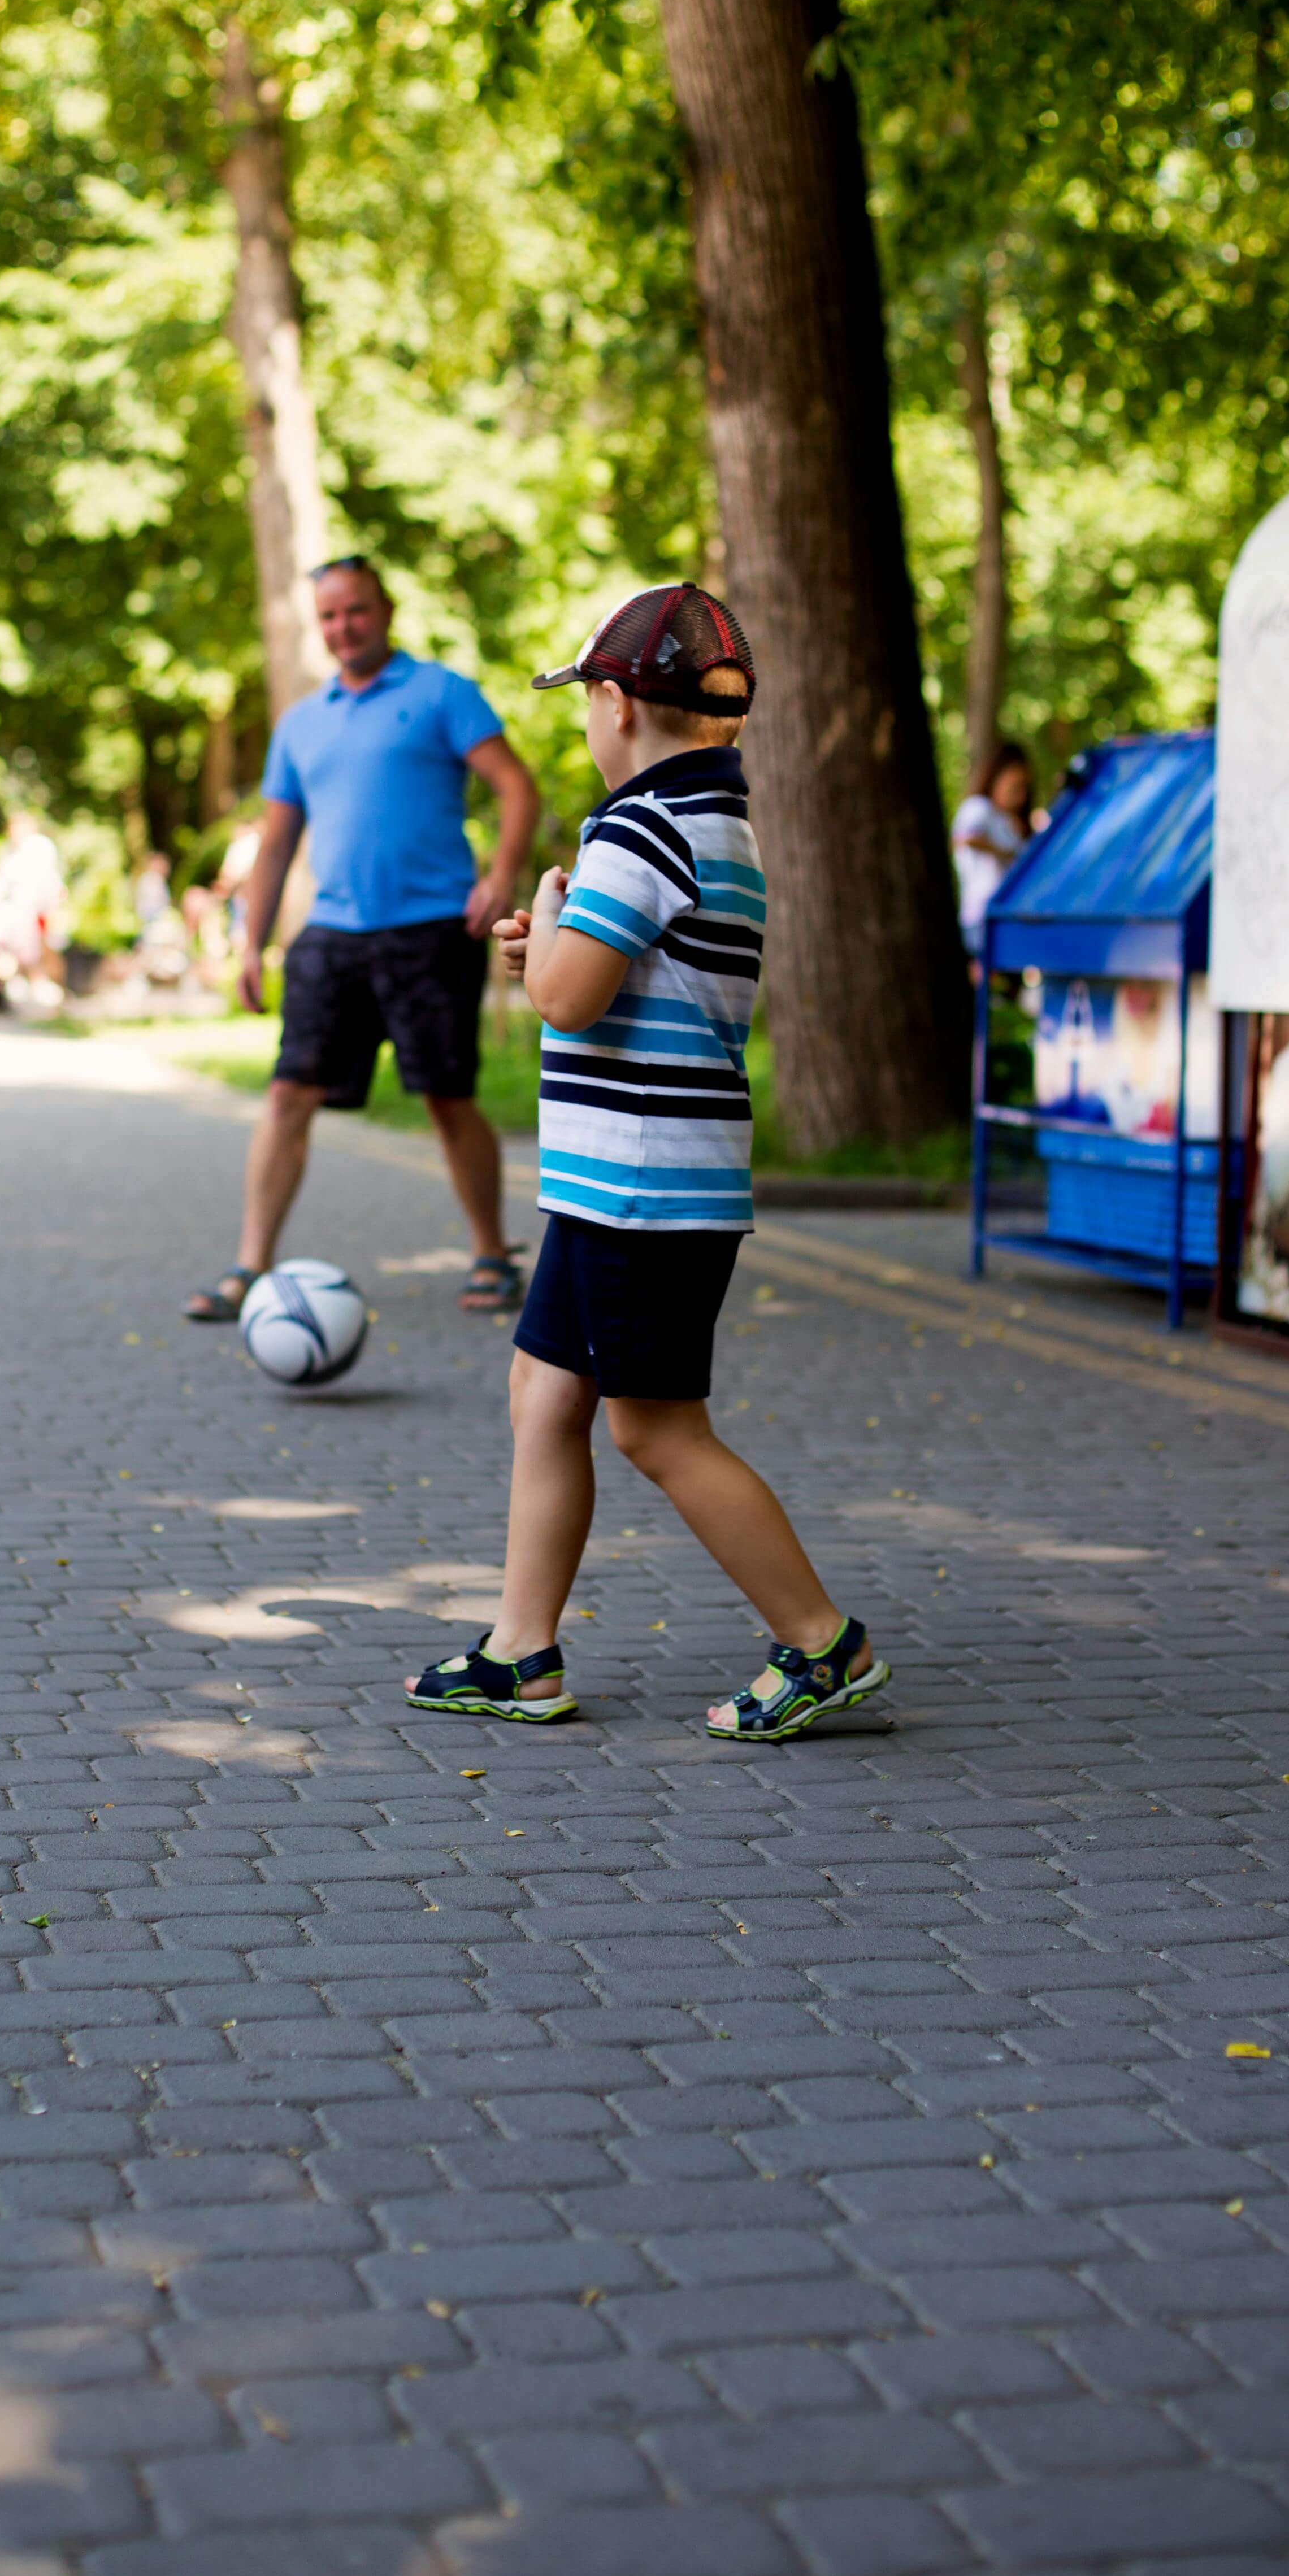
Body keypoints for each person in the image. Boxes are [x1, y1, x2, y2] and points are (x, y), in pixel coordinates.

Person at [402, 584, 889, 1742]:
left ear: (617, 703)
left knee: (655, 1428)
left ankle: (824, 1644)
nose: (584, 722)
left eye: (585, 703)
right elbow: (629, 974)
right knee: (545, 1392)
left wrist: (551, 913)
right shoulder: (717, 822)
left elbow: (569, 999)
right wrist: (569, 928)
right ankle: (522, 1652)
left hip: (643, 1185)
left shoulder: (638, 828)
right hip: (621, 1180)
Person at [186, 556, 542, 1322]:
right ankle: (251, 1267)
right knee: (288, 1094)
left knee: (449, 1099)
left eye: (356, 611)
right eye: (329, 617)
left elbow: (517, 786)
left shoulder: (442, 693)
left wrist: (503, 873)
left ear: (386, 610)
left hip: (433, 930)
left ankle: (491, 1252)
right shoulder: (302, 723)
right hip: (334, 936)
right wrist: (250, 944)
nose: (343, 627)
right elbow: (277, 844)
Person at [952, 739, 1033, 958]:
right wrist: (1005, 853)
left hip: (1011, 917)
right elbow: (965, 838)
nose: (1020, 796)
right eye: (1015, 787)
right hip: (981, 916)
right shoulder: (979, 808)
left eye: (1024, 788)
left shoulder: (1011, 821)